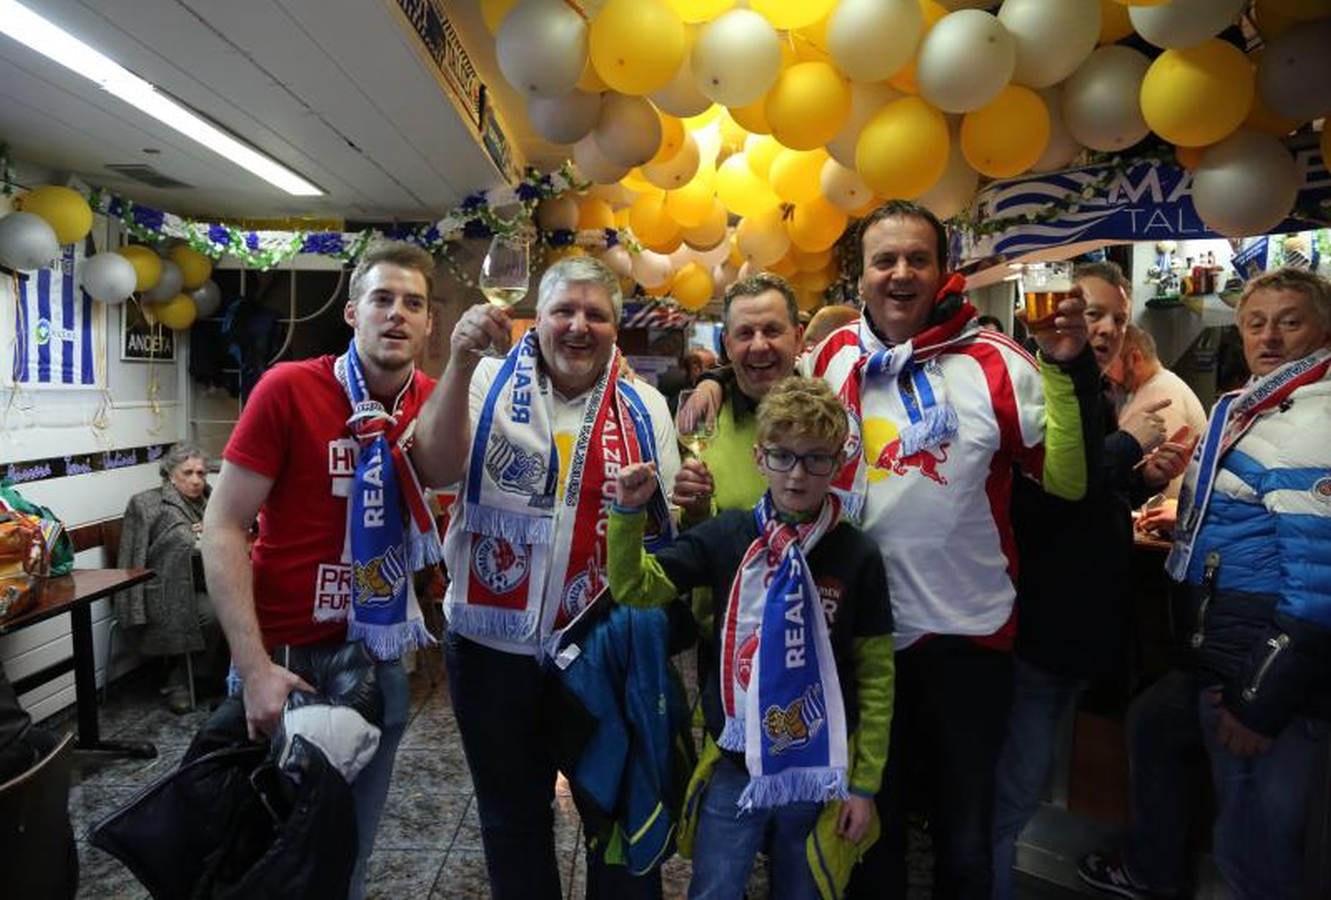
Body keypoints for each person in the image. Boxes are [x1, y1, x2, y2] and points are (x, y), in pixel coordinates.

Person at [802, 200, 1101, 899]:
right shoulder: (830, 355)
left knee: (963, 838)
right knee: (866, 831)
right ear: (861, 276)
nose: (900, 272)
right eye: (884, 259)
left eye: (917, 259)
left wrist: (1065, 369)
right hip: (861, 635)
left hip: (966, 634)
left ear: (942, 273)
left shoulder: (994, 361)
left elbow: (1064, 481)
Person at [410, 256, 680, 899]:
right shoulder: (488, 384)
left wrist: (675, 498)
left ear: (616, 327)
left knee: (612, 821)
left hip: (600, 653)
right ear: (540, 319)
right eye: (565, 311)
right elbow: (434, 467)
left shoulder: (645, 407)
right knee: (512, 823)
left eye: (596, 314)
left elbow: (664, 537)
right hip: (491, 651)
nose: (579, 326)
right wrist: (456, 363)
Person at [201, 239, 442, 900]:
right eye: (382, 299)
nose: (396, 314)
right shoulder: (289, 387)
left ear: (428, 325)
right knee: (261, 855)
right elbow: (222, 526)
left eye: (412, 303)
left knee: (346, 856)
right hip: (283, 656)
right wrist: (251, 669)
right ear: (352, 313)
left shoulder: (431, 407)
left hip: (376, 656)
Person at [608, 376, 894, 900]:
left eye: (816, 459)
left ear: (838, 462)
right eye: (783, 456)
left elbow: (876, 677)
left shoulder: (857, 555)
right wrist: (627, 512)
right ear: (760, 458)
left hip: (817, 770)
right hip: (736, 759)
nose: (799, 474)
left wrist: (865, 785)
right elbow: (635, 587)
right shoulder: (728, 536)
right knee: (715, 885)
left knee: (803, 887)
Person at [991, 262, 1194, 899]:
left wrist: (1143, 478)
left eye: (1112, 315)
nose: (1100, 328)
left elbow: (1085, 506)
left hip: (1079, 629)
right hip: (1039, 631)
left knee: (1032, 783)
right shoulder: (1031, 384)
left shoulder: (1095, 389)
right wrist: (1128, 446)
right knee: (1012, 793)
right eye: (1086, 312)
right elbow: (1047, 499)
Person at [1169, 268, 1329, 900]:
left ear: (1321, 329)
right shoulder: (1260, 404)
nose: (1270, 337)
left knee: (1257, 850)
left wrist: (1258, 701)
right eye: (1256, 322)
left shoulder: (1313, 423)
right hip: (1230, 655)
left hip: (1268, 680)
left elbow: (1319, 592)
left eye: (1289, 321)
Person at [673, 273, 804, 524]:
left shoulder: (830, 412)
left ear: (798, 338)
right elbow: (684, 528)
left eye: (772, 330)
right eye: (745, 334)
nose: (759, 346)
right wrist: (695, 512)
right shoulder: (701, 418)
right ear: (728, 345)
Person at [116, 442, 223, 713]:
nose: (196, 480)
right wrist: (132, 608)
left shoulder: (213, 503)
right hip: (164, 590)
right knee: (212, 615)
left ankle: (210, 677)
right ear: (170, 474)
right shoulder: (147, 504)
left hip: (203, 583)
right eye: (188, 473)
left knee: (236, 607)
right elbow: (131, 558)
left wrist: (214, 530)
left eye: (201, 473)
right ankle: (182, 680)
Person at [1112, 325, 1208, 498]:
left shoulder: (1161, 392)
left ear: (1134, 358)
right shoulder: (1153, 387)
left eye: (1112, 363)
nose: (1106, 373)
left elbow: (1166, 475)